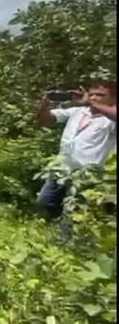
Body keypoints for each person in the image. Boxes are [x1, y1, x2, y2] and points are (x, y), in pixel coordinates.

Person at [36, 81, 116, 240]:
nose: (94, 97)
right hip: (62, 168)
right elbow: (48, 119)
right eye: (92, 94)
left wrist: (90, 102)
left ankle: (64, 245)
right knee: (44, 203)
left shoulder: (110, 120)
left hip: (89, 176)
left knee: (73, 213)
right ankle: (49, 236)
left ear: (113, 99)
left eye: (100, 95)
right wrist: (43, 106)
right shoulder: (78, 112)